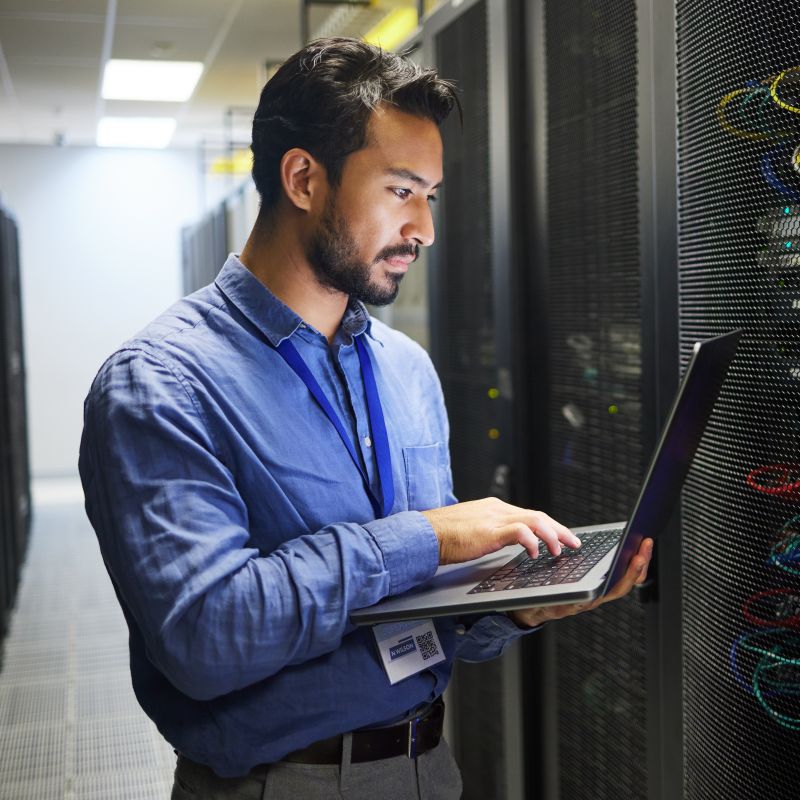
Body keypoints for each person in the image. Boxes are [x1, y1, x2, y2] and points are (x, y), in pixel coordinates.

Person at [78, 37, 652, 800]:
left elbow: (429, 602)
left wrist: (515, 610)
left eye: (432, 196)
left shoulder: (405, 370)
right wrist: (427, 536)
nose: (425, 230)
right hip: (279, 782)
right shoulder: (160, 386)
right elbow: (204, 637)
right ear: (304, 178)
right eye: (401, 191)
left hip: (430, 766)